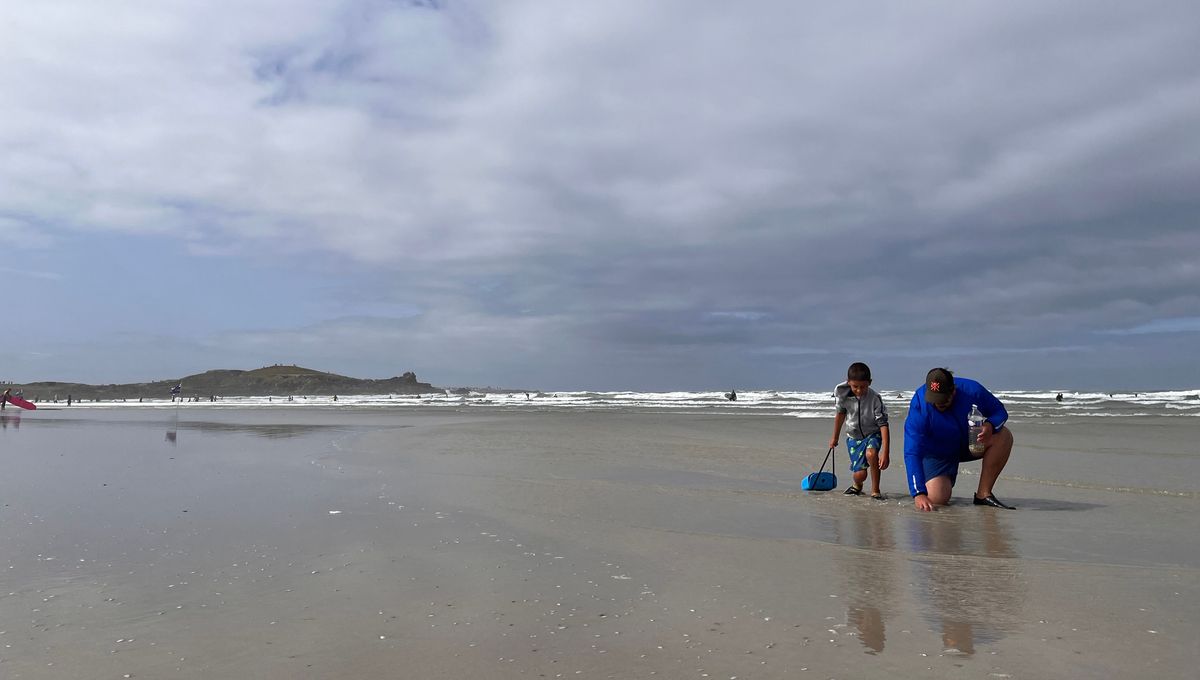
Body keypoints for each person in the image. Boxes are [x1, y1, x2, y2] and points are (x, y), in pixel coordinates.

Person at [904, 368, 1015, 511]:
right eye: (934, 400)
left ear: (953, 391)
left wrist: (990, 425)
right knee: (936, 499)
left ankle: (983, 494)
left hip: (969, 443)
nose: (939, 404)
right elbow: (912, 452)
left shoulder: (973, 391)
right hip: (936, 453)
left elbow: (1000, 412)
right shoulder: (919, 403)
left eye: (943, 400)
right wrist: (918, 493)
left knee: (1004, 436)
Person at [828, 362, 890, 499]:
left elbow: (883, 425)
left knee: (871, 454)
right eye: (855, 386)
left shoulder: (875, 399)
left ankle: (876, 491)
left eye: (863, 387)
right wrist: (835, 437)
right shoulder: (843, 395)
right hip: (854, 438)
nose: (859, 390)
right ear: (848, 381)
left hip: (873, 434)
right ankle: (857, 485)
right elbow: (840, 415)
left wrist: (885, 452)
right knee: (860, 475)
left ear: (870, 383)